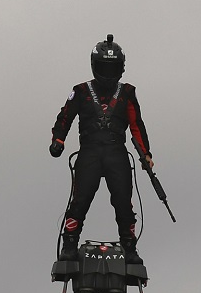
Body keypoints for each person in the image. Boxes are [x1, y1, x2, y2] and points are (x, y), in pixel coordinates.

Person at [49, 34, 155, 264]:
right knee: (80, 199)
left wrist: (145, 154)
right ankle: (69, 243)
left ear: (120, 69)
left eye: (112, 68)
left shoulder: (127, 92)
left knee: (124, 202)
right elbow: (64, 117)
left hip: (117, 151)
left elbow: (137, 124)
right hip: (90, 151)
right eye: (104, 68)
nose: (108, 74)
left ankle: (130, 247)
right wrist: (58, 139)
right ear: (94, 66)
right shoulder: (81, 90)